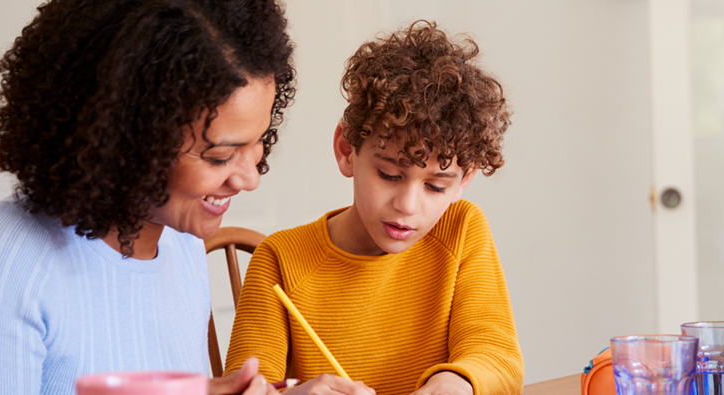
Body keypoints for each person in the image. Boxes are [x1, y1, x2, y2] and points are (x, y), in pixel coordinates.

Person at [0, 0, 296, 394]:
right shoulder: (4, 257)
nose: (249, 178)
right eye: (219, 156)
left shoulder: (180, 246)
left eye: (258, 143)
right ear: (129, 141)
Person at [224, 20, 522, 395]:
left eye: (435, 185)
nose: (407, 206)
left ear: (464, 180)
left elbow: (497, 354)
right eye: (389, 175)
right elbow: (243, 388)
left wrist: (456, 382)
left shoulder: (461, 230)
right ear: (347, 150)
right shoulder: (281, 259)